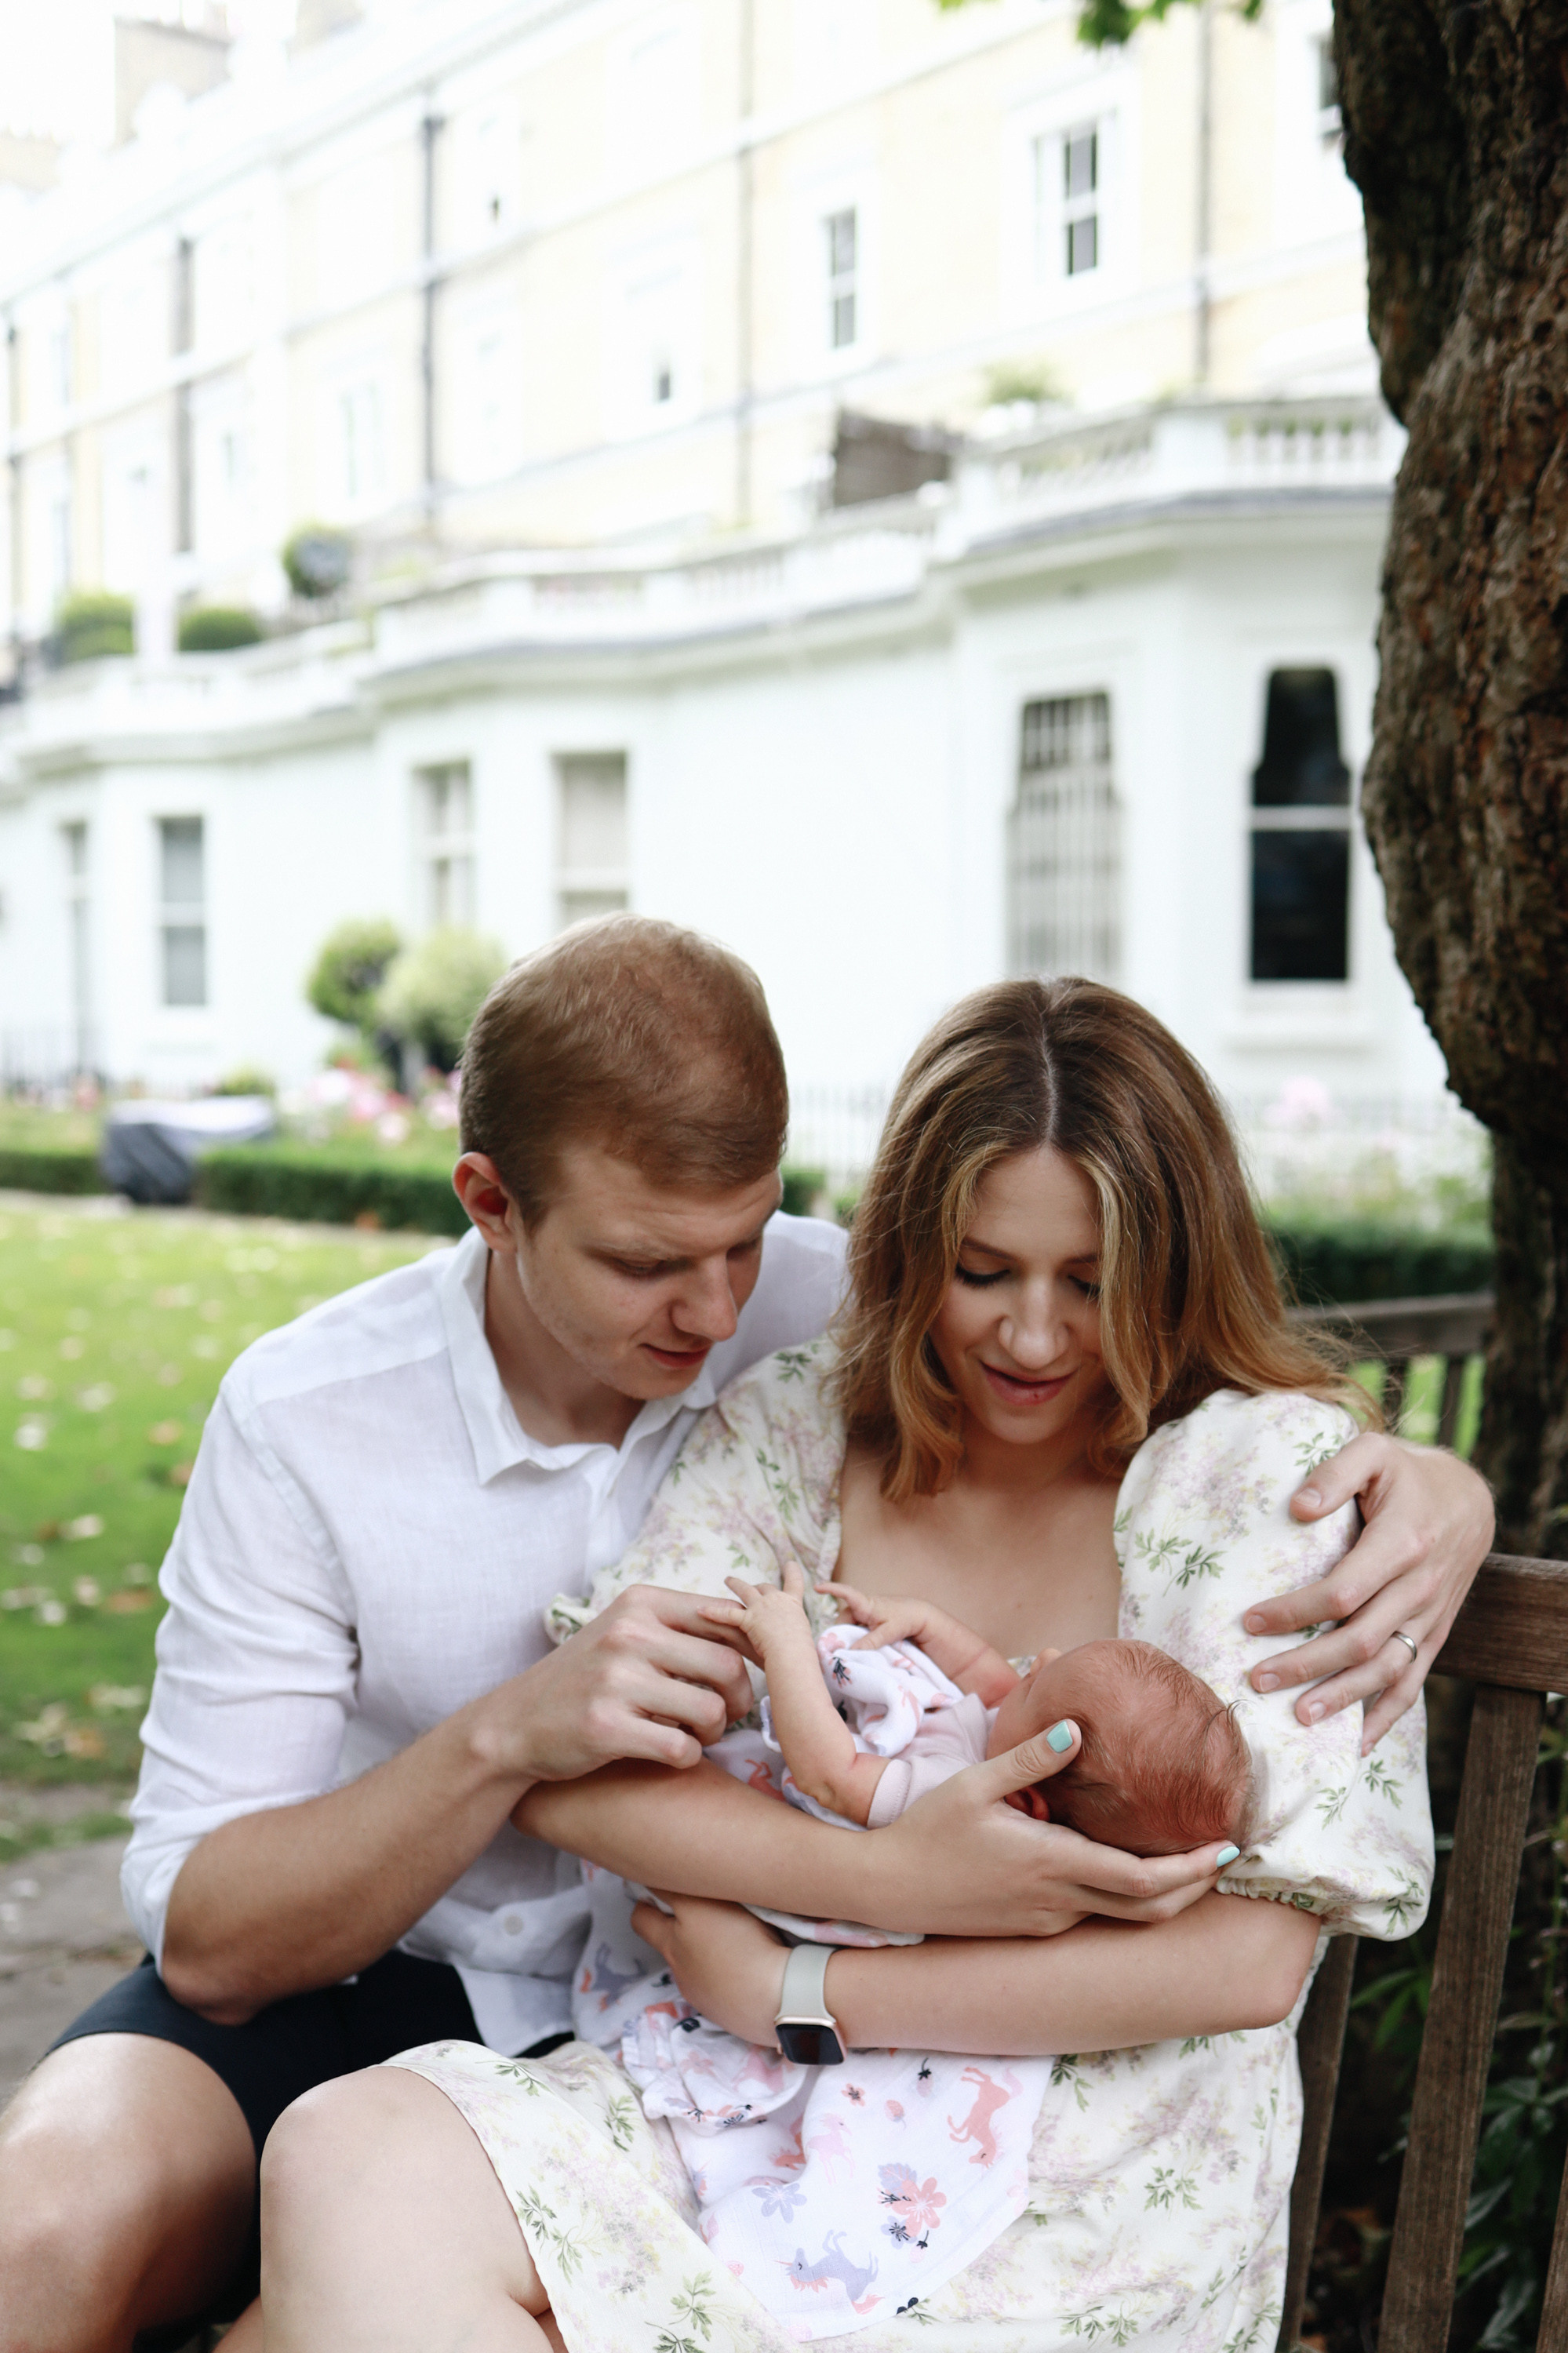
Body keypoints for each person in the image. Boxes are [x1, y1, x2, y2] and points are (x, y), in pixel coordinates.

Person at [0, 930, 1486, 2353]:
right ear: (490, 1205)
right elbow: (412, 1847)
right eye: (980, 1272)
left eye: (1088, 1282)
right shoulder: (778, 1407)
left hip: (1021, 2149)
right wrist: (880, 1885)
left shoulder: (1235, 1480)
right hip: (588, 2043)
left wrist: (799, 1995)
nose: (716, 1309)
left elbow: (1248, 1960)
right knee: (253, 2187)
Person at [704, 1565, 1251, 1845]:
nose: (1040, 1657)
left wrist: (787, 1646)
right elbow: (983, 1674)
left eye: (1034, 1683)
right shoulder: (1008, 1739)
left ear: (1026, 1799)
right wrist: (923, 1619)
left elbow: (830, 1775)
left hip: (766, 1826)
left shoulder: (952, 1793)